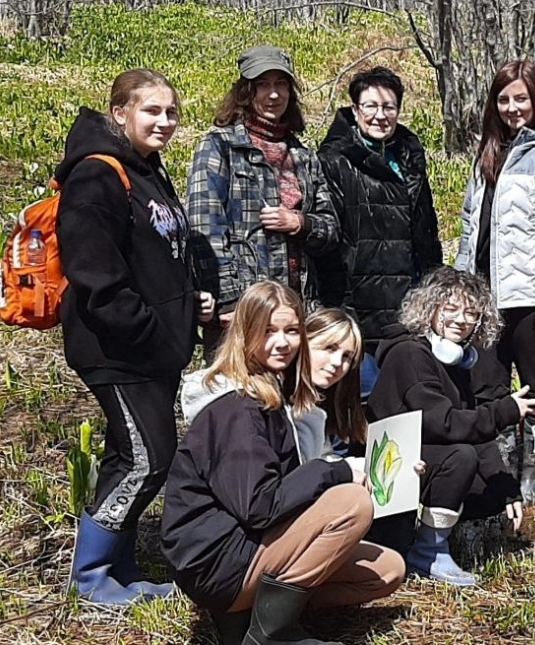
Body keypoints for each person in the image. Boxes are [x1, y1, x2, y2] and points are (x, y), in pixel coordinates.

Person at [162, 282, 403, 645]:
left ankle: (252, 619)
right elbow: (260, 506)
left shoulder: (274, 395)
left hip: (248, 548)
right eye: (268, 331)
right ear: (245, 333)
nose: (282, 342)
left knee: (386, 571)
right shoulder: (236, 408)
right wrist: (337, 472)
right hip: (218, 562)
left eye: (291, 331)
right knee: (351, 505)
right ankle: (270, 634)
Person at [55, 69, 213, 605]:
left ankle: (118, 566)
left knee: (131, 455)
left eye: (171, 112)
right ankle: (92, 577)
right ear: (120, 113)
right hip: (119, 349)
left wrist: (192, 303)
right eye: (152, 111)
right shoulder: (97, 175)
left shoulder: (146, 170)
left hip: (156, 349)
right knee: (150, 458)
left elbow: (160, 257)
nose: (165, 121)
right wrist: (149, 331)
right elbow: (94, 271)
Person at [366, 268, 535, 586]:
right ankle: (428, 551)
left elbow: (469, 423)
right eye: (450, 309)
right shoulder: (410, 353)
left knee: (489, 490)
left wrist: (505, 488)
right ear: (429, 308)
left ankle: (433, 540)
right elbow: (445, 423)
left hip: (421, 461)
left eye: (471, 313)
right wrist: (505, 411)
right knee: (461, 457)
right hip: (389, 473)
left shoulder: (457, 360)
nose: (462, 319)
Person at [454, 60, 535, 504]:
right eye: (504, 99)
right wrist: (460, 288)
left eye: (521, 98)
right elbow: (471, 224)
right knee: (488, 387)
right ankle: (500, 471)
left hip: (530, 294)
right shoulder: (486, 155)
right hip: (485, 295)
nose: (512, 107)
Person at [187, 44, 339, 349]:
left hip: (299, 311)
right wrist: (229, 301)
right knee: (242, 394)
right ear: (246, 92)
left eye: (281, 84)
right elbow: (206, 231)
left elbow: (331, 229)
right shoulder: (220, 147)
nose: (273, 95)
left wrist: (300, 222)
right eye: (263, 85)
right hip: (247, 309)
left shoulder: (303, 156)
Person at [317, 66, 442, 392]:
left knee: (408, 399)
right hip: (358, 307)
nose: (380, 115)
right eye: (370, 106)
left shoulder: (410, 156)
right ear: (355, 109)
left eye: (389, 107)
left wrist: (435, 289)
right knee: (361, 401)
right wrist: (340, 307)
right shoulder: (334, 160)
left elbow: (428, 234)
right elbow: (331, 242)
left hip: (409, 304)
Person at [296, 308, 367, 461]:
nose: (337, 362)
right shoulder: (277, 405)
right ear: (303, 343)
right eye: (329, 348)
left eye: (347, 356)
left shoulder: (319, 403)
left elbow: (322, 460)